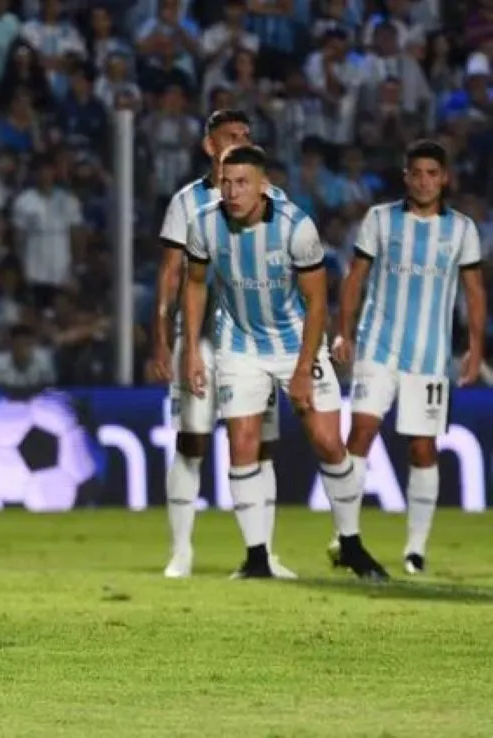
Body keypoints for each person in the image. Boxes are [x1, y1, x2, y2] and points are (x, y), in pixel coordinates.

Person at [180, 145, 388, 580]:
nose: (232, 192)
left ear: (262, 187)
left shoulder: (297, 227)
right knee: (242, 444)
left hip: (297, 342)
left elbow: (317, 305)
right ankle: (257, 557)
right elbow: (196, 285)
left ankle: (349, 542)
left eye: (242, 183)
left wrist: (300, 371)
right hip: (238, 343)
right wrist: (192, 353)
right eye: (226, 182)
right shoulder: (203, 225)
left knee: (329, 442)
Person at [331, 140, 486, 575]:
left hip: (430, 357)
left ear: (445, 178)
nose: (423, 181)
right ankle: (346, 536)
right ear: (406, 177)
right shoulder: (380, 219)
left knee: (422, 448)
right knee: (360, 433)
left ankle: (415, 550)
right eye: (416, 173)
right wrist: (343, 332)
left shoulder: (461, 230)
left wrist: (475, 346)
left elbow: (474, 291)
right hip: (378, 345)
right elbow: (354, 276)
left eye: (431, 173)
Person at [149, 109, 291, 579]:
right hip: (201, 341)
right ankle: (181, 551)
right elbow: (170, 275)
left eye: (246, 135)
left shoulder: (273, 200)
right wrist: (161, 338)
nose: (239, 142)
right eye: (231, 136)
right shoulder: (187, 202)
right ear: (210, 146)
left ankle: (263, 553)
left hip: (256, 342)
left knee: (260, 445)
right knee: (192, 441)